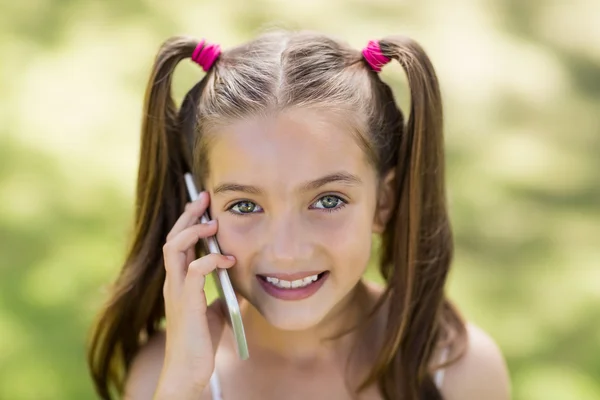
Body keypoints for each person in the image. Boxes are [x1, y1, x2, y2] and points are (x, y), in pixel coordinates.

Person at [86, 30, 510, 399]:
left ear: (385, 201)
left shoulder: (459, 373)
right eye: (245, 205)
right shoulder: (167, 376)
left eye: (327, 200)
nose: (287, 251)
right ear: (198, 207)